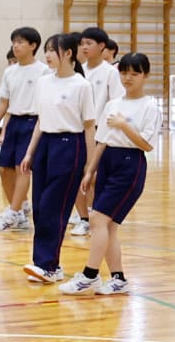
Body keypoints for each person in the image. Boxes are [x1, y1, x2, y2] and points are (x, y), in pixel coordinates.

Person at [64, 52, 159, 295]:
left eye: (134, 73)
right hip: (107, 161)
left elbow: (147, 145)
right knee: (109, 226)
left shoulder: (150, 106)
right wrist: (90, 170)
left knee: (97, 220)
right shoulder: (112, 104)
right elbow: (101, 140)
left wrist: (124, 125)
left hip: (130, 164)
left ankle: (90, 275)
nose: (128, 77)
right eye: (124, 72)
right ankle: (118, 278)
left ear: (146, 76)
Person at [18, 34, 95, 285]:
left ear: (69, 53)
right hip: (45, 146)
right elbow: (41, 120)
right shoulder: (43, 82)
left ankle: (47, 265)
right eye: (48, 50)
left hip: (69, 146)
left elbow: (89, 127)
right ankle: (49, 264)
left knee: (54, 206)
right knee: (39, 207)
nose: (47, 55)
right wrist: (30, 153)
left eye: (53, 50)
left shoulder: (81, 85)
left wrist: (89, 165)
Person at [0, 27, 47, 232]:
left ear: (33, 46)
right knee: (4, 168)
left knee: (23, 168)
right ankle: (19, 212)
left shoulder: (43, 71)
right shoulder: (10, 71)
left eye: (21, 42)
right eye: (14, 41)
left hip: (33, 122)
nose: (16, 45)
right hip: (13, 123)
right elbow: (4, 102)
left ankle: (12, 212)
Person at [70, 27, 121, 239]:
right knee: (74, 175)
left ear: (102, 46)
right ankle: (82, 217)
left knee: (91, 176)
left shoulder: (110, 72)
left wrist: (107, 133)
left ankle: (92, 216)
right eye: (82, 43)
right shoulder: (78, 70)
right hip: (76, 130)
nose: (84, 47)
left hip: (99, 132)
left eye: (89, 43)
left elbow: (116, 103)